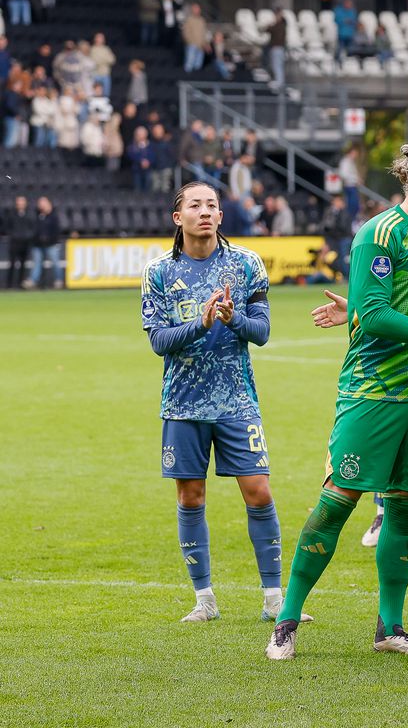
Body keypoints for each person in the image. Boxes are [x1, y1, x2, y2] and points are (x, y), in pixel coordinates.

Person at [265, 143, 408, 660]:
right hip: (372, 390)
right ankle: (286, 619)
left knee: (404, 506)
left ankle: (390, 627)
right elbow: (373, 317)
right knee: (338, 499)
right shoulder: (380, 232)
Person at [140, 183, 285, 623]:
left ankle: (274, 599)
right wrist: (200, 325)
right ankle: (204, 599)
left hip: (237, 400)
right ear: (177, 218)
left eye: (211, 206)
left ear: (221, 216)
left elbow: (261, 332)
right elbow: (159, 341)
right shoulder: (159, 272)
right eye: (195, 205)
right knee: (190, 495)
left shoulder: (245, 265)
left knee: (258, 491)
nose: (204, 212)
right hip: (183, 404)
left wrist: (232, 318)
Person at [7, 196, 35, 289]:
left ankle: (20, 284)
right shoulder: (11, 214)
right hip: (14, 242)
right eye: (19, 202)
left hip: (25, 243)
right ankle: (9, 284)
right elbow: (7, 227)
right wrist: (13, 235)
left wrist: (28, 236)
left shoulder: (30, 214)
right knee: (12, 264)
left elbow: (33, 227)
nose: (20, 204)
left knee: (23, 264)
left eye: (22, 202)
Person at [182, 4, 208, 73]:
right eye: (195, 9)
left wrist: (205, 43)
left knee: (198, 64)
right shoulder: (189, 20)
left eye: (198, 9)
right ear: (192, 10)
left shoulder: (202, 20)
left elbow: (204, 33)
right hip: (192, 44)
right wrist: (190, 41)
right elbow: (186, 32)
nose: (197, 10)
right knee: (189, 63)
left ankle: (196, 77)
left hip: (201, 45)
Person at [338, 145, 361, 219]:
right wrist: (355, 179)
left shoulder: (351, 162)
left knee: (355, 206)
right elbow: (344, 175)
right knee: (352, 206)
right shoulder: (345, 162)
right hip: (349, 186)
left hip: (352, 186)